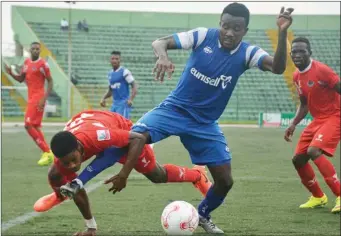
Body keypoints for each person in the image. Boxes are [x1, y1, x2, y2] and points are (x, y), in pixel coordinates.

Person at [126, 3, 294, 233]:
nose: (229, 33)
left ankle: (203, 215)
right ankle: (138, 171)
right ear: (220, 24)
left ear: (245, 30)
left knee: (225, 181)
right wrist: (163, 57)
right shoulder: (203, 36)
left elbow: (277, 67)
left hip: (204, 124)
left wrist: (283, 31)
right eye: (226, 26)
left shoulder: (247, 53)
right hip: (174, 110)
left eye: (236, 28)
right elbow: (160, 42)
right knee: (136, 135)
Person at [33, 110, 211, 236]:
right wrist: (91, 227)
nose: (72, 165)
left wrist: (123, 174)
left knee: (156, 175)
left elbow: (138, 138)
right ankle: (60, 195)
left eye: (74, 159)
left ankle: (197, 175)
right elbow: (74, 183)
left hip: (123, 132)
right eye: (66, 163)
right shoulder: (63, 158)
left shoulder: (98, 137)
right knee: (56, 176)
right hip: (88, 122)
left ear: (80, 148)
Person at [284, 37, 340, 213]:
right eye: (294, 51)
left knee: (313, 151)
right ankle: (318, 196)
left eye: (302, 51)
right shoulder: (296, 76)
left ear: (310, 53)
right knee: (298, 159)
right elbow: (305, 104)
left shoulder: (323, 71)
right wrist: (293, 124)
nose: (298, 54)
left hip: (334, 116)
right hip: (317, 120)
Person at [5, 42, 54, 166]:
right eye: (33, 49)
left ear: (40, 50)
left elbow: (50, 81)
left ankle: (46, 151)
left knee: (28, 125)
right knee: (35, 126)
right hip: (31, 98)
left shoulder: (43, 64)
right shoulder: (26, 63)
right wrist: (11, 73)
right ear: (30, 50)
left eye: (38, 49)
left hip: (38, 99)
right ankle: (48, 154)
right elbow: (21, 79)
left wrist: (44, 98)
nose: (36, 51)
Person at [100, 51, 137, 119]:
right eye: (113, 59)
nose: (114, 61)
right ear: (110, 60)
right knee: (112, 122)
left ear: (120, 60)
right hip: (114, 104)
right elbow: (110, 90)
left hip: (123, 104)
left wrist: (131, 99)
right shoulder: (110, 74)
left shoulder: (124, 71)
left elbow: (134, 85)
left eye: (117, 59)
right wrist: (103, 98)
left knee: (122, 124)